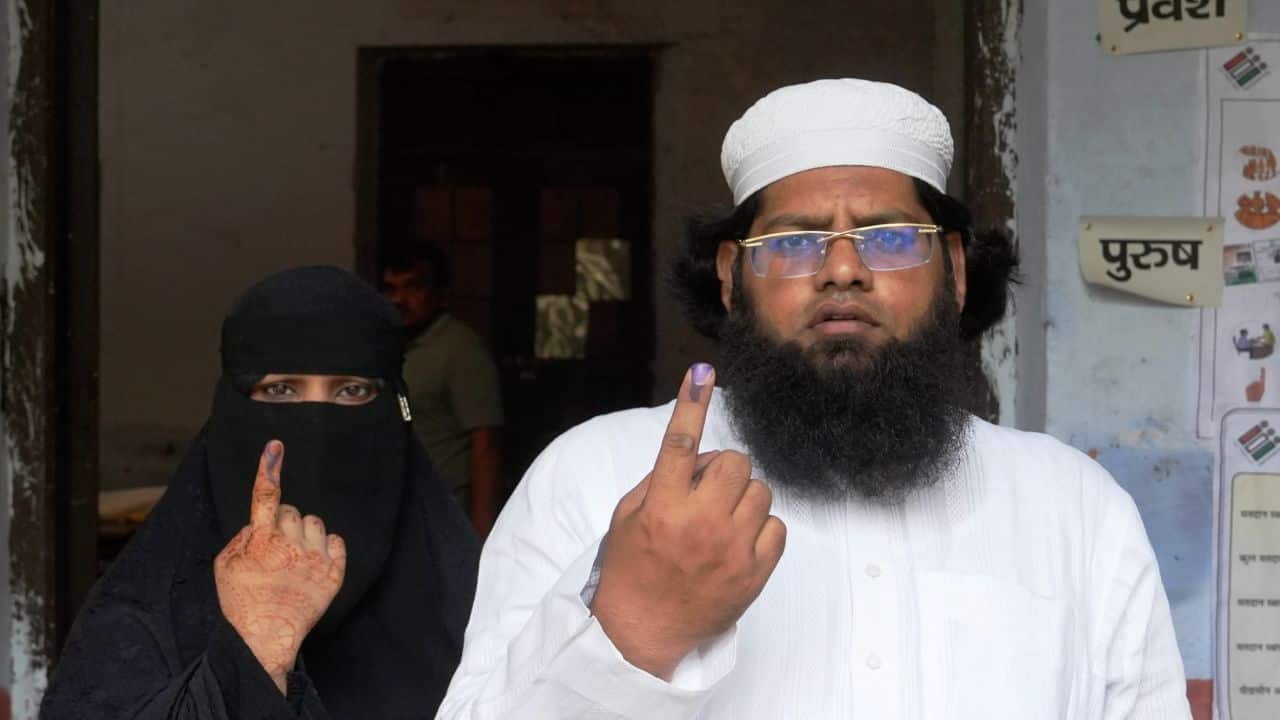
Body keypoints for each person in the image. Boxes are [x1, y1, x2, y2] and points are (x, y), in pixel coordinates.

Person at [437, 79, 1190, 718]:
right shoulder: (594, 476)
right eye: (794, 242)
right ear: (731, 277)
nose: (842, 269)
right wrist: (634, 626)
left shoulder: (1075, 507)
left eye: (889, 236)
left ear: (954, 270)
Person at [42, 267, 479, 719]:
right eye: (281, 390)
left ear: (396, 409)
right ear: (229, 410)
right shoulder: (144, 617)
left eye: (352, 391)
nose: (318, 428)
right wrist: (255, 651)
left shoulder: (474, 612)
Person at [382, 247, 503, 537]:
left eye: (413, 287)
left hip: (445, 511)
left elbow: (486, 445)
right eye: (391, 289)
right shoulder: (386, 345)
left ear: (441, 293)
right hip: (395, 508)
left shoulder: (461, 349)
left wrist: (482, 531)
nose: (400, 299)